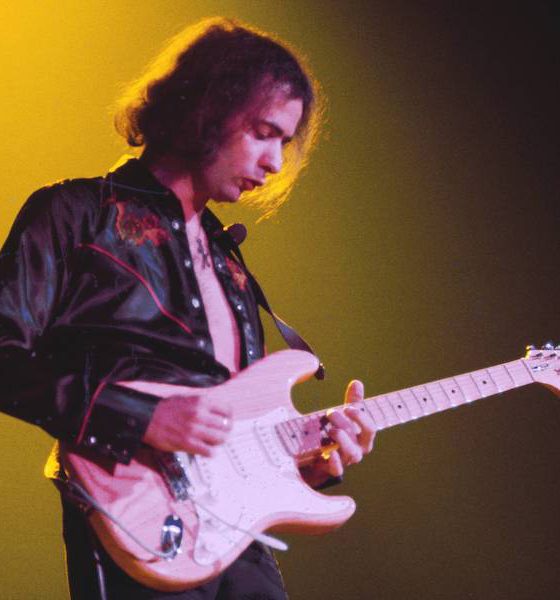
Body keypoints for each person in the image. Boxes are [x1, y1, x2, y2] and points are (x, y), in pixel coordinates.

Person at [0, 17, 375, 599]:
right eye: (263, 132)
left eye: (285, 141)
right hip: (136, 528)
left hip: (236, 541)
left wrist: (309, 463)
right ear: (205, 108)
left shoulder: (231, 265)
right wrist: (141, 417)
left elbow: (230, 432)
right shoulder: (75, 215)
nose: (277, 163)